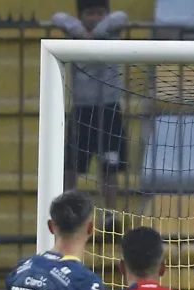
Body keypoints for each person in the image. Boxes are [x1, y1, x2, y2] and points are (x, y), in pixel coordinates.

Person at [53, 0, 129, 210]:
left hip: (110, 108)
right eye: (90, 14)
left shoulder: (112, 30)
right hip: (82, 110)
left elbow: (122, 16)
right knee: (71, 166)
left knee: (109, 167)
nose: (95, 18)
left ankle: (110, 212)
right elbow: (58, 16)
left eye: (100, 14)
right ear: (80, 16)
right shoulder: (74, 34)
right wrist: (80, 31)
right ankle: (68, 208)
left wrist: (96, 32)